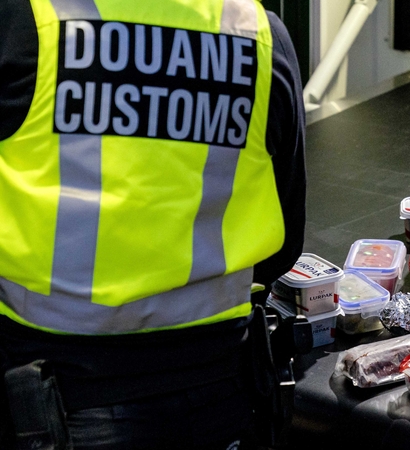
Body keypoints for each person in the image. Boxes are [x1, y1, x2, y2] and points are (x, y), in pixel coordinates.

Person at [0, 0, 306, 448]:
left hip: (57, 400)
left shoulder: (24, 22)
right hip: (222, 395)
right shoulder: (257, 33)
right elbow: (285, 241)